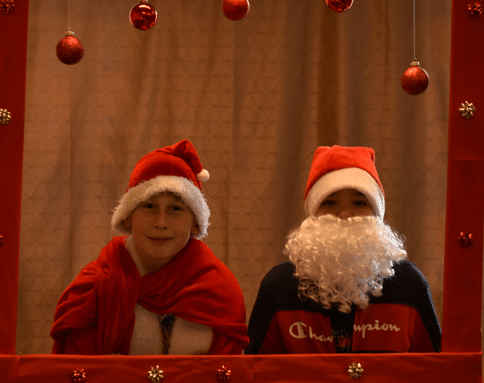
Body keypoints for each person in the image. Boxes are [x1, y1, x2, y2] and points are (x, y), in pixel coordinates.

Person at [51, 139, 249, 355]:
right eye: (149, 206)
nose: (161, 222)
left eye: (175, 209)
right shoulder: (94, 289)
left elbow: (227, 370)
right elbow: (78, 369)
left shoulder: (220, 293)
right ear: (128, 217)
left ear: (195, 223)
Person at [246, 145, 441, 354]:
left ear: (376, 215)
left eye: (359, 202)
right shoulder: (277, 289)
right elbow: (257, 368)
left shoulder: (410, 286)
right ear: (313, 215)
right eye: (330, 202)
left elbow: (434, 367)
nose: (345, 214)